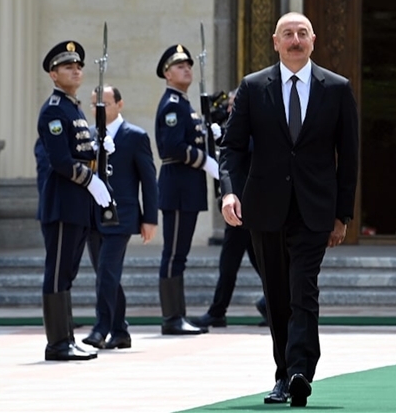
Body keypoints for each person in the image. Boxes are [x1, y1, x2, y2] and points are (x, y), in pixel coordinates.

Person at [220, 12, 358, 408]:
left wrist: (342, 214)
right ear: (275, 42)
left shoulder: (337, 88)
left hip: (315, 210)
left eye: (301, 33)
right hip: (264, 208)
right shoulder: (252, 87)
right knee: (277, 295)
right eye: (288, 34)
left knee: (303, 290)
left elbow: (349, 156)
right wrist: (229, 193)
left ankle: (299, 371)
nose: (295, 40)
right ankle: (283, 373)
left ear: (313, 40)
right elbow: (231, 148)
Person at [36, 40, 112, 362]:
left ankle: (66, 338)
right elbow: (61, 161)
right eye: (68, 67)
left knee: (67, 273)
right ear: (54, 74)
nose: (76, 71)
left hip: (78, 203)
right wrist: (90, 179)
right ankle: (57, 343)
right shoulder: (54, 109)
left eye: (78, 66)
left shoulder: (73, 107)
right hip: (63, 202)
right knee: (57, 272)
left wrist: (100, 148)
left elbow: (81, 150)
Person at [81, 86, 159, 350]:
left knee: (106, 273)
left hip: (121, 216)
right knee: (106, 274)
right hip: (93, 216)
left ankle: (101, 328)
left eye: (103, 104)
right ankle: (120, 330)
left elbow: (149, 180)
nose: (98, 109)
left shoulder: (134, 136)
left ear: (119, 104)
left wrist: (150, 218)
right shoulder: (89, 135)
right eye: (94, 105)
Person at [154, 44, 216, 335]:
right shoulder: (172, 105)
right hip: (178, 187)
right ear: (167, 74)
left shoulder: (184, 104)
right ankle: (171, 317)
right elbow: (173, 146)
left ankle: (177, 315)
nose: (187, 69)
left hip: (187, 187)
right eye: (180, 66)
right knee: (174, 254)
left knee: (180, 254)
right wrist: (205, 160)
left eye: (188, 65)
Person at [192, 90, 267, 329]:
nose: (229, 110)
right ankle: (275, 304)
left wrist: (225, 136)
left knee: (230, 263)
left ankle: (218, 311)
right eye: (229, 105)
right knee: (260, 262)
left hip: (248, 205)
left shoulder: (257, 125)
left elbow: (250, 149)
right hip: (240, 206)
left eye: (235, 105)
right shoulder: (235, 127)